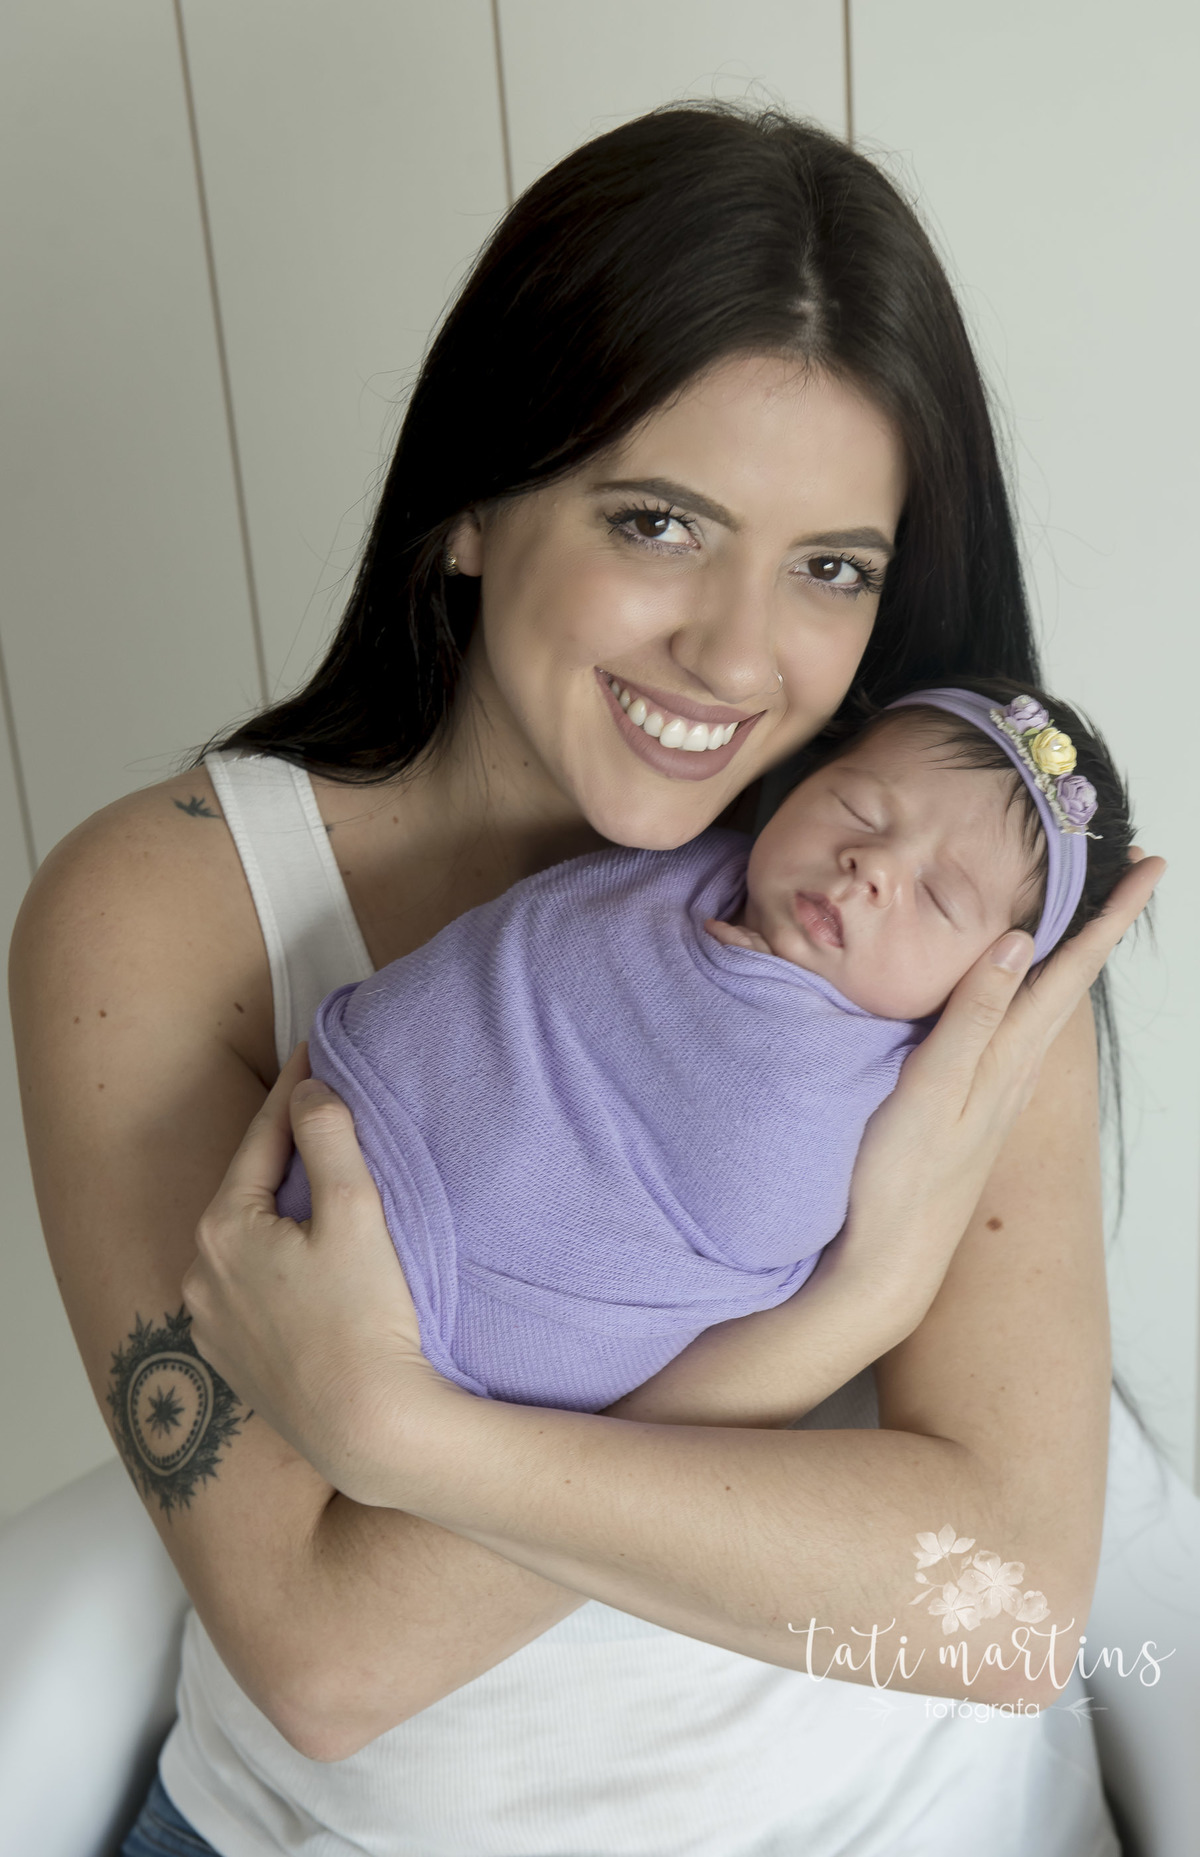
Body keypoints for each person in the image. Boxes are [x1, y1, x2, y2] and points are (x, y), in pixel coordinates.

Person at [10, 104, 1161, 1857]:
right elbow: (326, 1657)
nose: (737, 655)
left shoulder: (920, 909)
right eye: (658, 524)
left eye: (831, 567)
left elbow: (999, 1608)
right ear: (476, 505)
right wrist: (824, 1321)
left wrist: (404, 1440)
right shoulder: (170, 912)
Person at [270, 678, 1133, 1419]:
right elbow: (520, 957)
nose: (872, 865)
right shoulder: (671, 867)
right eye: (859, 808)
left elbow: (766, 1214)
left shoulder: (898, 1091)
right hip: (333, 1148)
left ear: (990, 977)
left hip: (483, 1343)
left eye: (939, 895)